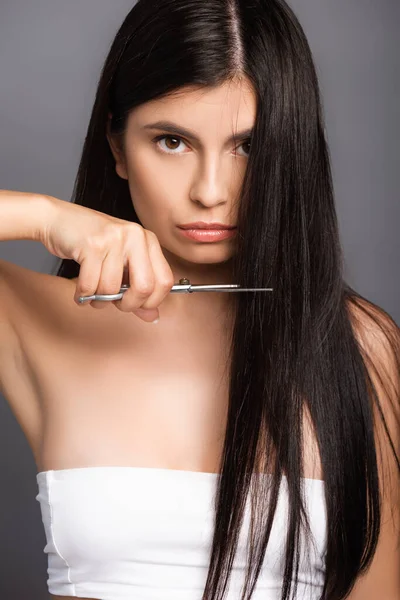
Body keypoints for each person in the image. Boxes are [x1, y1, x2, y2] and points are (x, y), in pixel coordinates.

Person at [0, 0, 399, 599]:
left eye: (248, 147)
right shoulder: (36, 318)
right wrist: (44, 215)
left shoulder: (361, 347)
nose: (210, 192)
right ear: (117, 148)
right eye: (171, 141)